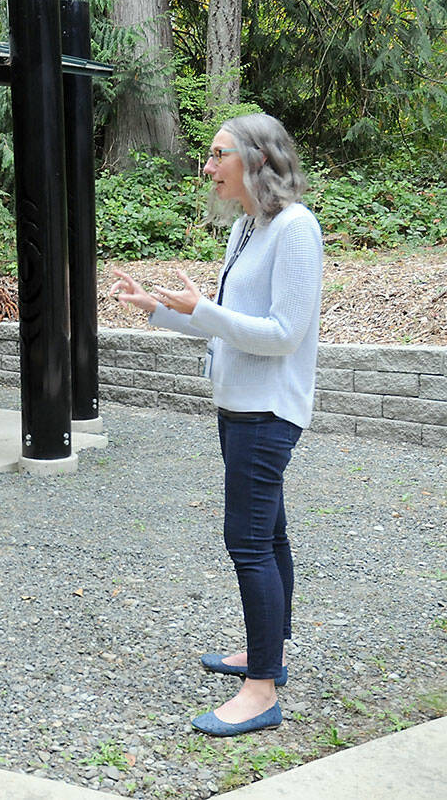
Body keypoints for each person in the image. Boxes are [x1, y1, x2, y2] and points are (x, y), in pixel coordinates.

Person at [109, 112, 323, 737]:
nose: (208, 167)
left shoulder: (295, 229)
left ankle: (261, 690)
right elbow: (226, 322)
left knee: (248, 542)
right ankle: (269, 657)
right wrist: (164, 310)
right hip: (235, 407)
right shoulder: (246, 230)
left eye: (218, 154)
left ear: (257, 159)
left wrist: (204, 308)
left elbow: (285, 335)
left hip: (269, 411)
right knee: (270, 535)